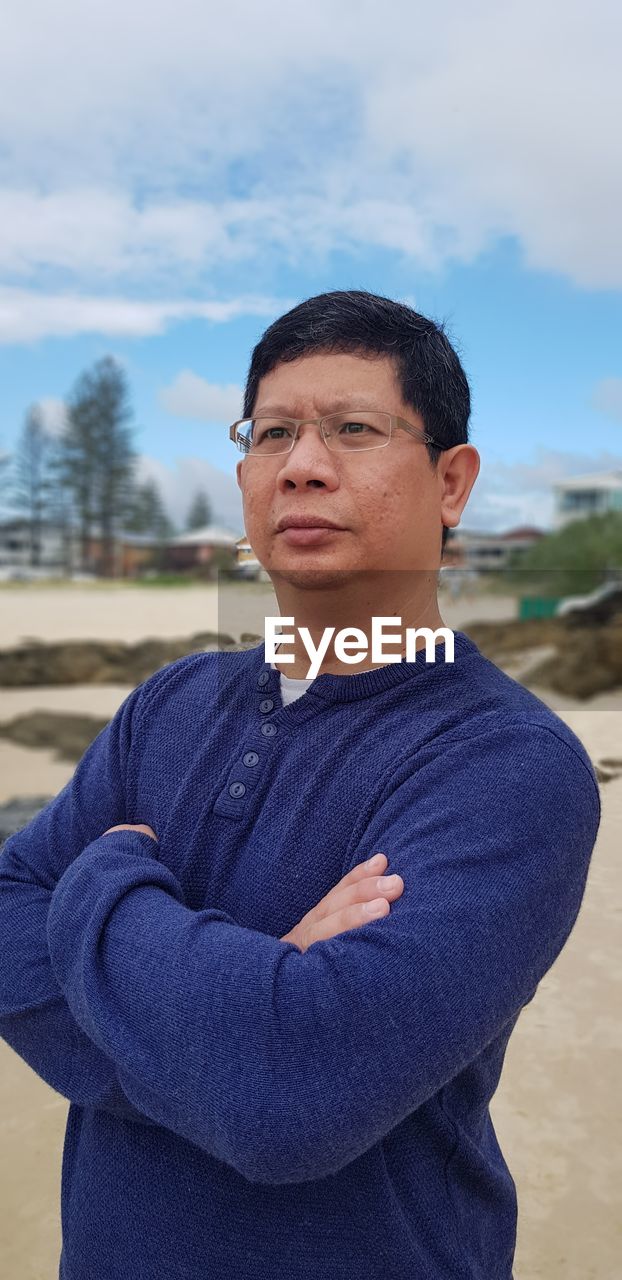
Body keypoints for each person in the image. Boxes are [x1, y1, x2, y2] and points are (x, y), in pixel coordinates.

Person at [0, 290, 600, 1279]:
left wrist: (105, 875)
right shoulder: (172, 701)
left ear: (452, 482)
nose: (302, 464)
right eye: (272, 431)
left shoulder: (505, 761)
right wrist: (232, 1017)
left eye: (353, 429)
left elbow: (286, 1095)